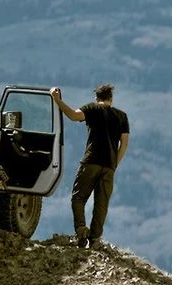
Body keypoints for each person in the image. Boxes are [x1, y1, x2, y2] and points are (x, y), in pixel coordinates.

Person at [52, 83, 129, 248]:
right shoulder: (122, 116)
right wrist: (114, 164)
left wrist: (57, 100)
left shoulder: (92, 109)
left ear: (96, 98)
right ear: (111, 98)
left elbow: (73, 116)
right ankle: (94, 239)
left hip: (91, 161)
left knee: (78, 198)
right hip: (109, 166)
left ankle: (81, 231)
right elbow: (124, 144)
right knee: (101, 204)